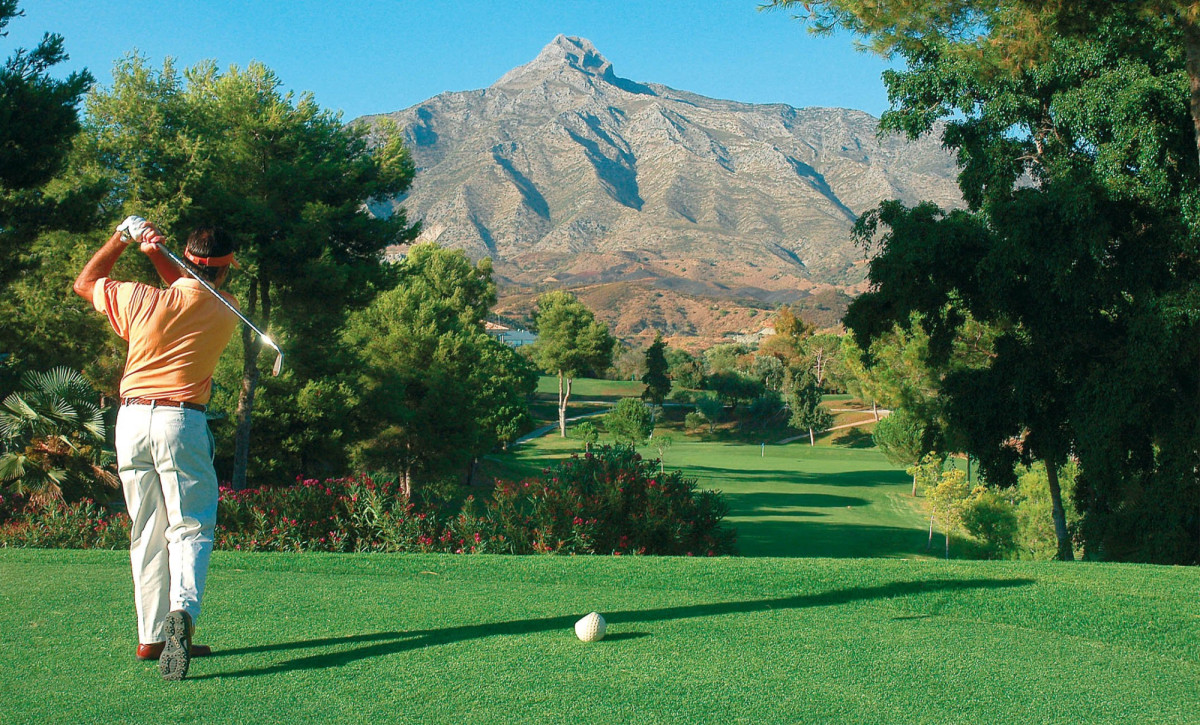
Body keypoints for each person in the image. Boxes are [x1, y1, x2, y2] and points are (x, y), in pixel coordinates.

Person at [73, 216, 240, 681]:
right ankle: (181, 614)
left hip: (129, 419)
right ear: (227, 268)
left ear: (185, 258)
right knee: (189, 526)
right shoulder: (226, 307)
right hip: (180, 421)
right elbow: (194, 290)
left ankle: (151, 638)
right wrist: (157, 256)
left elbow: (85, 283)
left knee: (146, 528)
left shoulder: (136, 297)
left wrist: (125, 239)